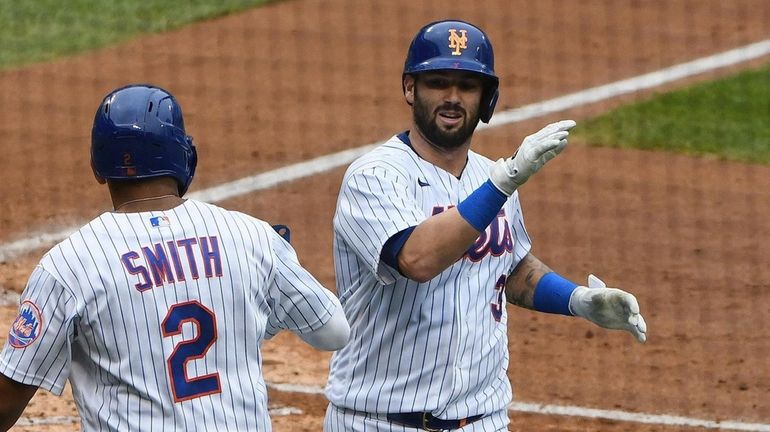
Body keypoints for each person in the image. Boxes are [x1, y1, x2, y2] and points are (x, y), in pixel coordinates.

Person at [324, 19, 647, 431]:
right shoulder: (376, 176)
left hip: (483, 421)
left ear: (487, 97)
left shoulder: (491, 178)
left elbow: (511, 268)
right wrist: (504, 181)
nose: (452, 98)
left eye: (467, 86)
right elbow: (416, 259)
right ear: (410, 89)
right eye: (438, 82)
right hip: (379, 421)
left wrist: (578, 300)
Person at [0, 84, 350, 431]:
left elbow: (9, 398)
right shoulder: (252, 236)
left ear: (97, 166)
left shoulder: (69, 264)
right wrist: (250, 317)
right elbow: (334, 333)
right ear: (182, 155)